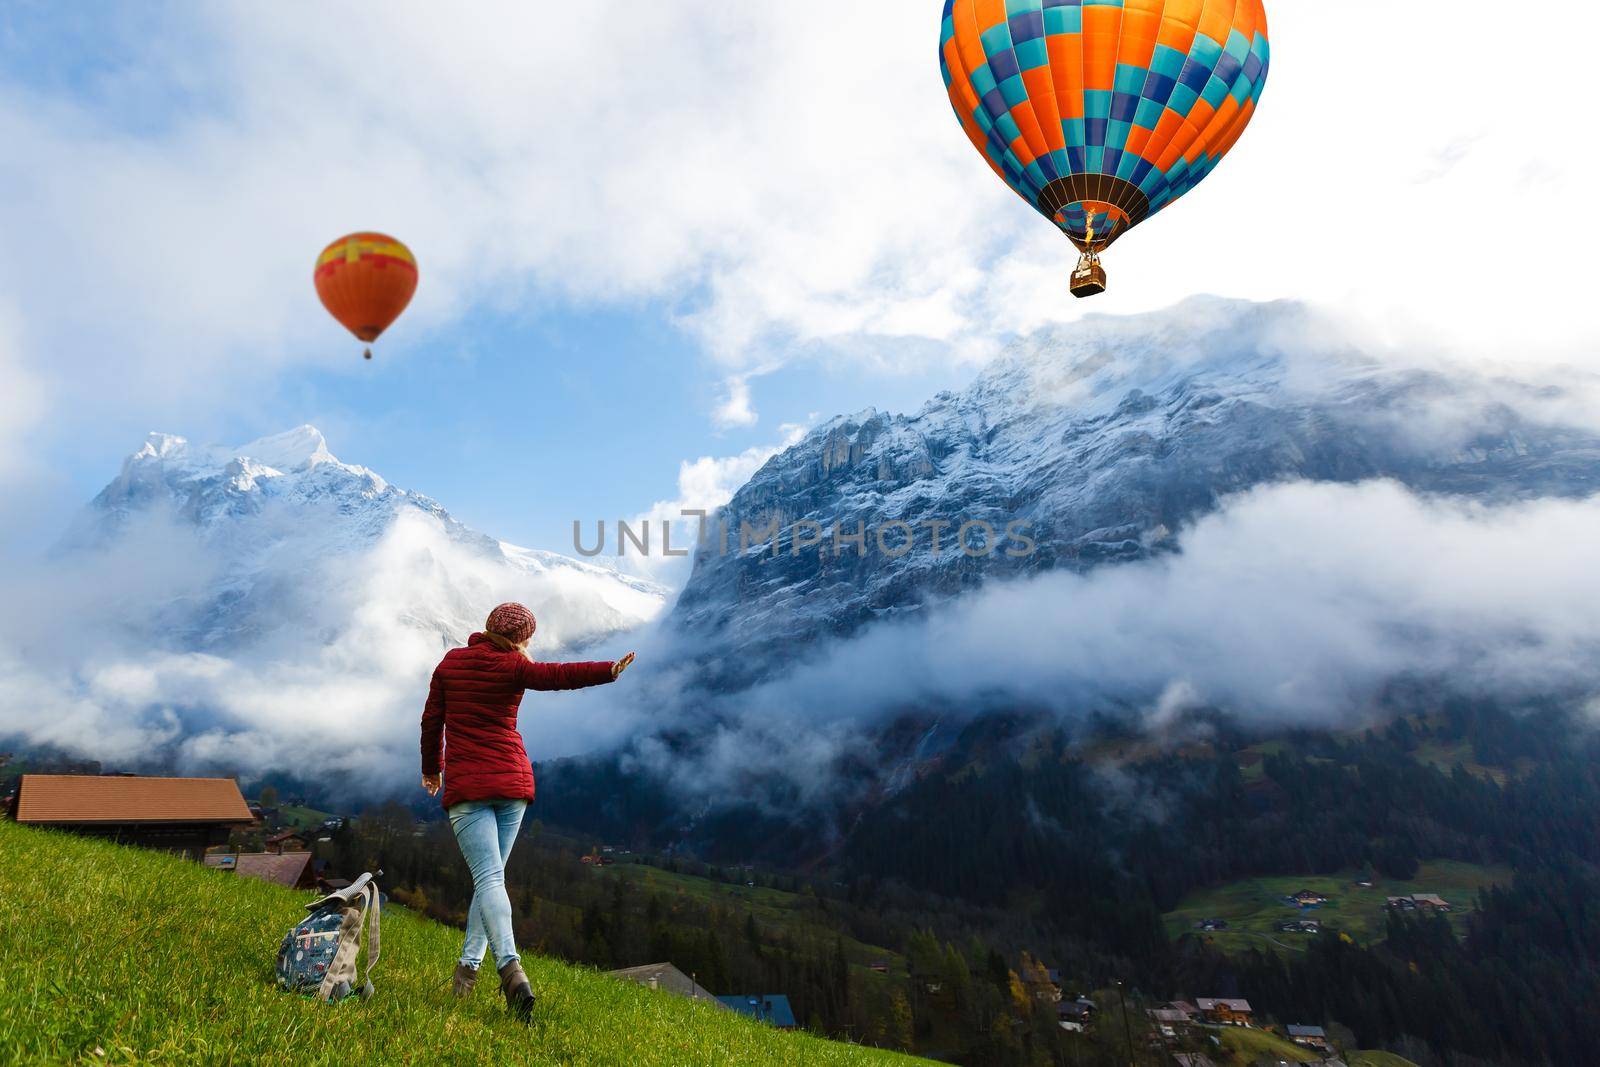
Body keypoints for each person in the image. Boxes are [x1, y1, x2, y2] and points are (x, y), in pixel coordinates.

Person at [420, 602, 635, 1020]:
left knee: (488, 879)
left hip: (469, 786)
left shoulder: (451, 663)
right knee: (492, 880)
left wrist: (433, 769)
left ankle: (510, 969)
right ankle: (466, 973)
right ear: (521, 638)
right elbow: (558, 676)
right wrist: (607, 671)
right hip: (513, 784)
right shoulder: (516, 667)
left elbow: (432, 722)